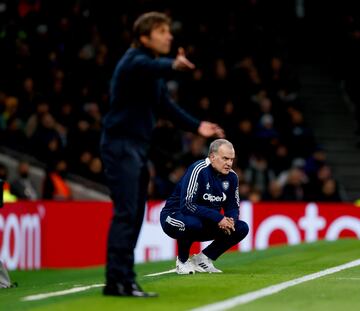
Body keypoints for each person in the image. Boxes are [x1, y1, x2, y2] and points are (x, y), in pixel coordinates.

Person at [100, 12, 224, 297]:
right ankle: (118, 280)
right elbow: (147, 66)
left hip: (136, 148)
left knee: (134, 214)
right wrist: (173, 65)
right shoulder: (134, 62)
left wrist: (197, 126)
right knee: (127, 213)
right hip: (120, 145)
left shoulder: (151, 70)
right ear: (144, 38)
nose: (169, 36)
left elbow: (165, 106)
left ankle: (120, 280)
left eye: (169, 30)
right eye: (161, 31)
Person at [160, 139, 249, 274]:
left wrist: (230, 220)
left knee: (241, 228)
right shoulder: (198, 169)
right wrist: (219, 218)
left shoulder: (232, 177)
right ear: (212, 157)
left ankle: (203, 259)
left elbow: (233, 207)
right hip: (173, 217)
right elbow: (187, 205)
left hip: (204, 222)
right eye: (225, 158)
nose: (229, 163)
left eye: (231, 159)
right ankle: (182, 261)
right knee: (192, 223)